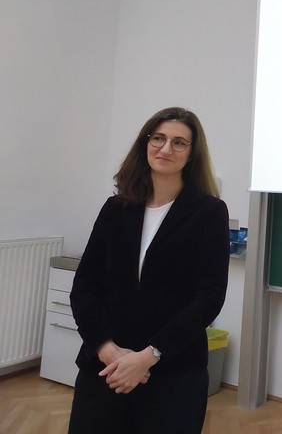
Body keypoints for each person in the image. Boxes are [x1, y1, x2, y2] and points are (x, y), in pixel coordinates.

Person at [68, 107, 230, 434]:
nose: (166, 148)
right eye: (158, 138)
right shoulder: (116, 208)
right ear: (146, 143)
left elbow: (209, 298)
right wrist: (108, 350)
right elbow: (85, 286)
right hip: (106, 367)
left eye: (179, 142)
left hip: (174, 371)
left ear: (192, 154)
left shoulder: (210, 212)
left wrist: (149, 356)